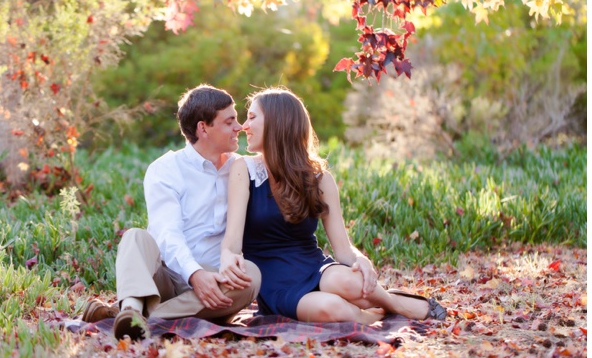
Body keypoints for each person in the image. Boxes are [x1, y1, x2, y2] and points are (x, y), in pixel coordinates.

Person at [220, 87, 446, 324]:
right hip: (275, 283)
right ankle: (377, 314)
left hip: (314, 267)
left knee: (348, 281)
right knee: (331, 308)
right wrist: (227, 257)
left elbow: (344, 249)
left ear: (278, 123)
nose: (244, 126)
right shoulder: (243, 170)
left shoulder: (319, 179)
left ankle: (397, 305)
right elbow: (233, 241)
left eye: (253, 117)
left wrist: (361, 260)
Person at [82, 84, 261, 340]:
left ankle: (134, 318)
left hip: (215, 280)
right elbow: (167, 233)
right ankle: (131, 307)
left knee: (251, 276)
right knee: (135, 236)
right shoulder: (166, 168)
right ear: (203, 128)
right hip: (166, 275)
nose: (239, 127)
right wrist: (194, 274)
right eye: (229, 121)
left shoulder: (241, 168)